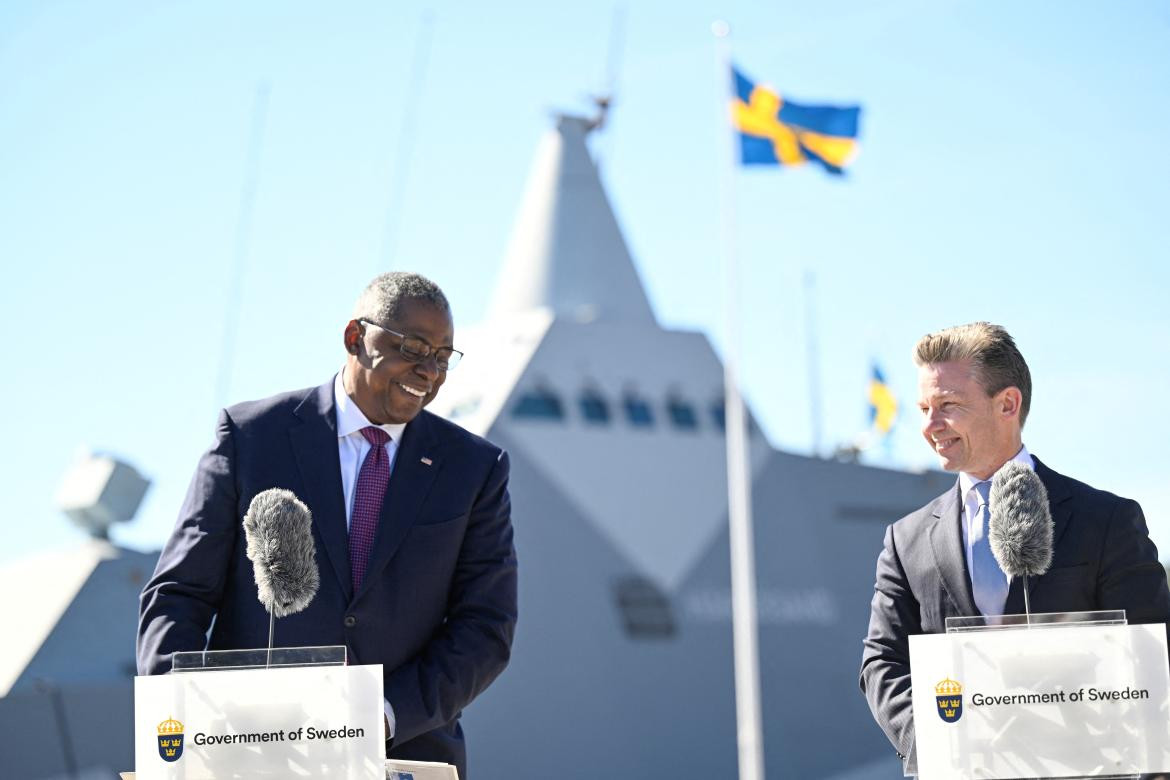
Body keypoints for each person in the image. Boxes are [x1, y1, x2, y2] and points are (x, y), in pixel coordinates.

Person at [138, 272, 517, 778]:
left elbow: (485, 627)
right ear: (355, 338)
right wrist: (188, 718)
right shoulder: (251, 438)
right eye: (414, 348)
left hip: (403, 755)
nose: (430, 371)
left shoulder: (474, 468)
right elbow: (178, 596)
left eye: (443, 357)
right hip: (249, 756)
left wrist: (378, 715)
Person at [859, 321, 1170, 771]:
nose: (929, 425)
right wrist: (934, 745)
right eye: (924, 408)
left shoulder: (1105, 520)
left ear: (1007, 403)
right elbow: (881, 662)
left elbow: (1153, 658)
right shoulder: (906, 541)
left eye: (947, 405)